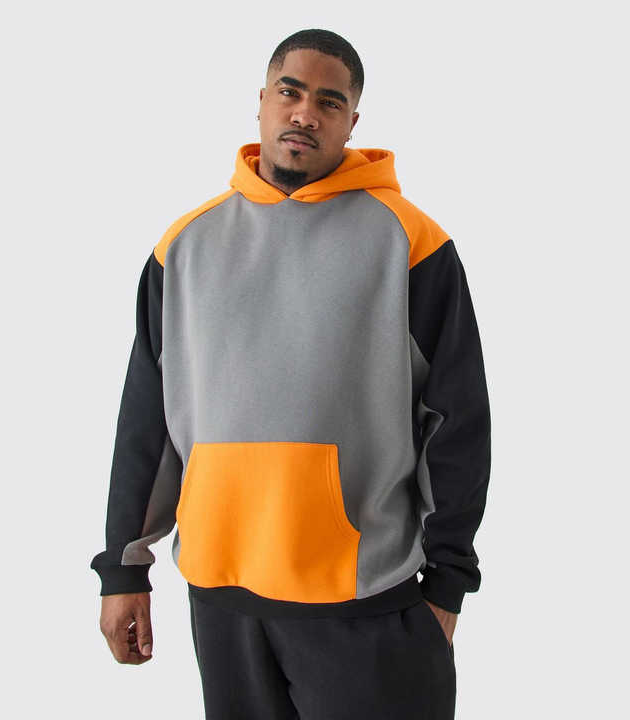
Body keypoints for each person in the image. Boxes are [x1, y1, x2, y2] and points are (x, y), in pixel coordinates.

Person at [91, 28, 491, 720]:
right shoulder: (183, 246)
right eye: (291, 91)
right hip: (223, 602)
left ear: (352, 122)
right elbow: (147, 421)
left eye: (329, 102)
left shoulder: (411, 242)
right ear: (262, 101)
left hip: (367, 602)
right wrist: (123, 567)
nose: (306, 112)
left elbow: (456, 423)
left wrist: (447, 582)